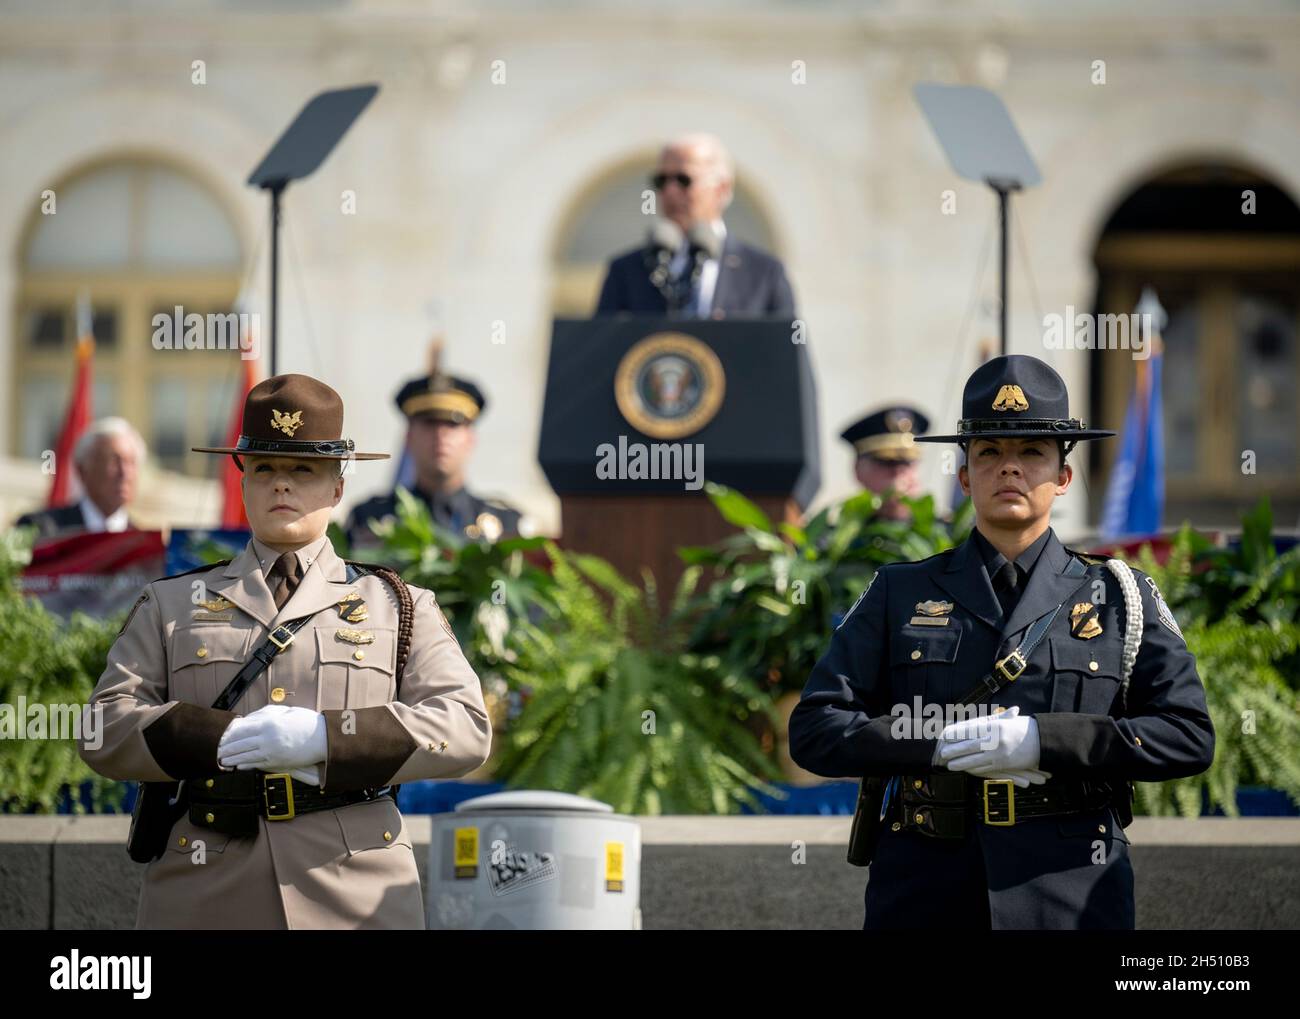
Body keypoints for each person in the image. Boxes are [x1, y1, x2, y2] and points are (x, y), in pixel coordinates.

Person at [789, 354, 1215, 929]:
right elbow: (816, 730)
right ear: (964, 476)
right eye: (989, 453)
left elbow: (1187, 736)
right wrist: (937, 742)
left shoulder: (1120, 596)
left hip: (1070, 889)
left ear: (1063, 476)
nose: (1008, 469)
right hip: (925, 889)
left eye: (1031, 453)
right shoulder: (900, 591)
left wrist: (1043, 740)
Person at [78, 374, 491, 929]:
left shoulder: (400, 607)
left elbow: (465, 727)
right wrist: (220, 739)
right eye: (265, 469)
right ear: (243, 481)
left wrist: (325, 740)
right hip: (206, 887)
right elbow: (102, 729)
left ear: (337, 488)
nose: (282, 486)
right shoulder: (173, 603)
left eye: (303, 470)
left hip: (355, 889)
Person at [595, 132, 795, 319]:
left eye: (684, 180)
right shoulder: (626, 271)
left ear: (721, 188)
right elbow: (599, 350)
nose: (670, 191)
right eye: (662, 180)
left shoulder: (764, 273)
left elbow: (789, 351)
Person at [345, 370, 522, 547]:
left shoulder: (505, 524)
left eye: (453, 424)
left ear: (471, 438)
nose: (440, 434)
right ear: (408, 437)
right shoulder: (370, 519)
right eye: (429, 423)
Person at [14, 417, 143, 539]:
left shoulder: (144, 545)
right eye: (114, 461)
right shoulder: (40, 530)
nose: (125, 473)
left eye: (131, 462)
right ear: (82, 470)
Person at [839, 405, 930, 521]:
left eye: (908, 462)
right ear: (858, 469)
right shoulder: (839, 537)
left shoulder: (945, 535)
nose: (900, 472)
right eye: (889, 462)